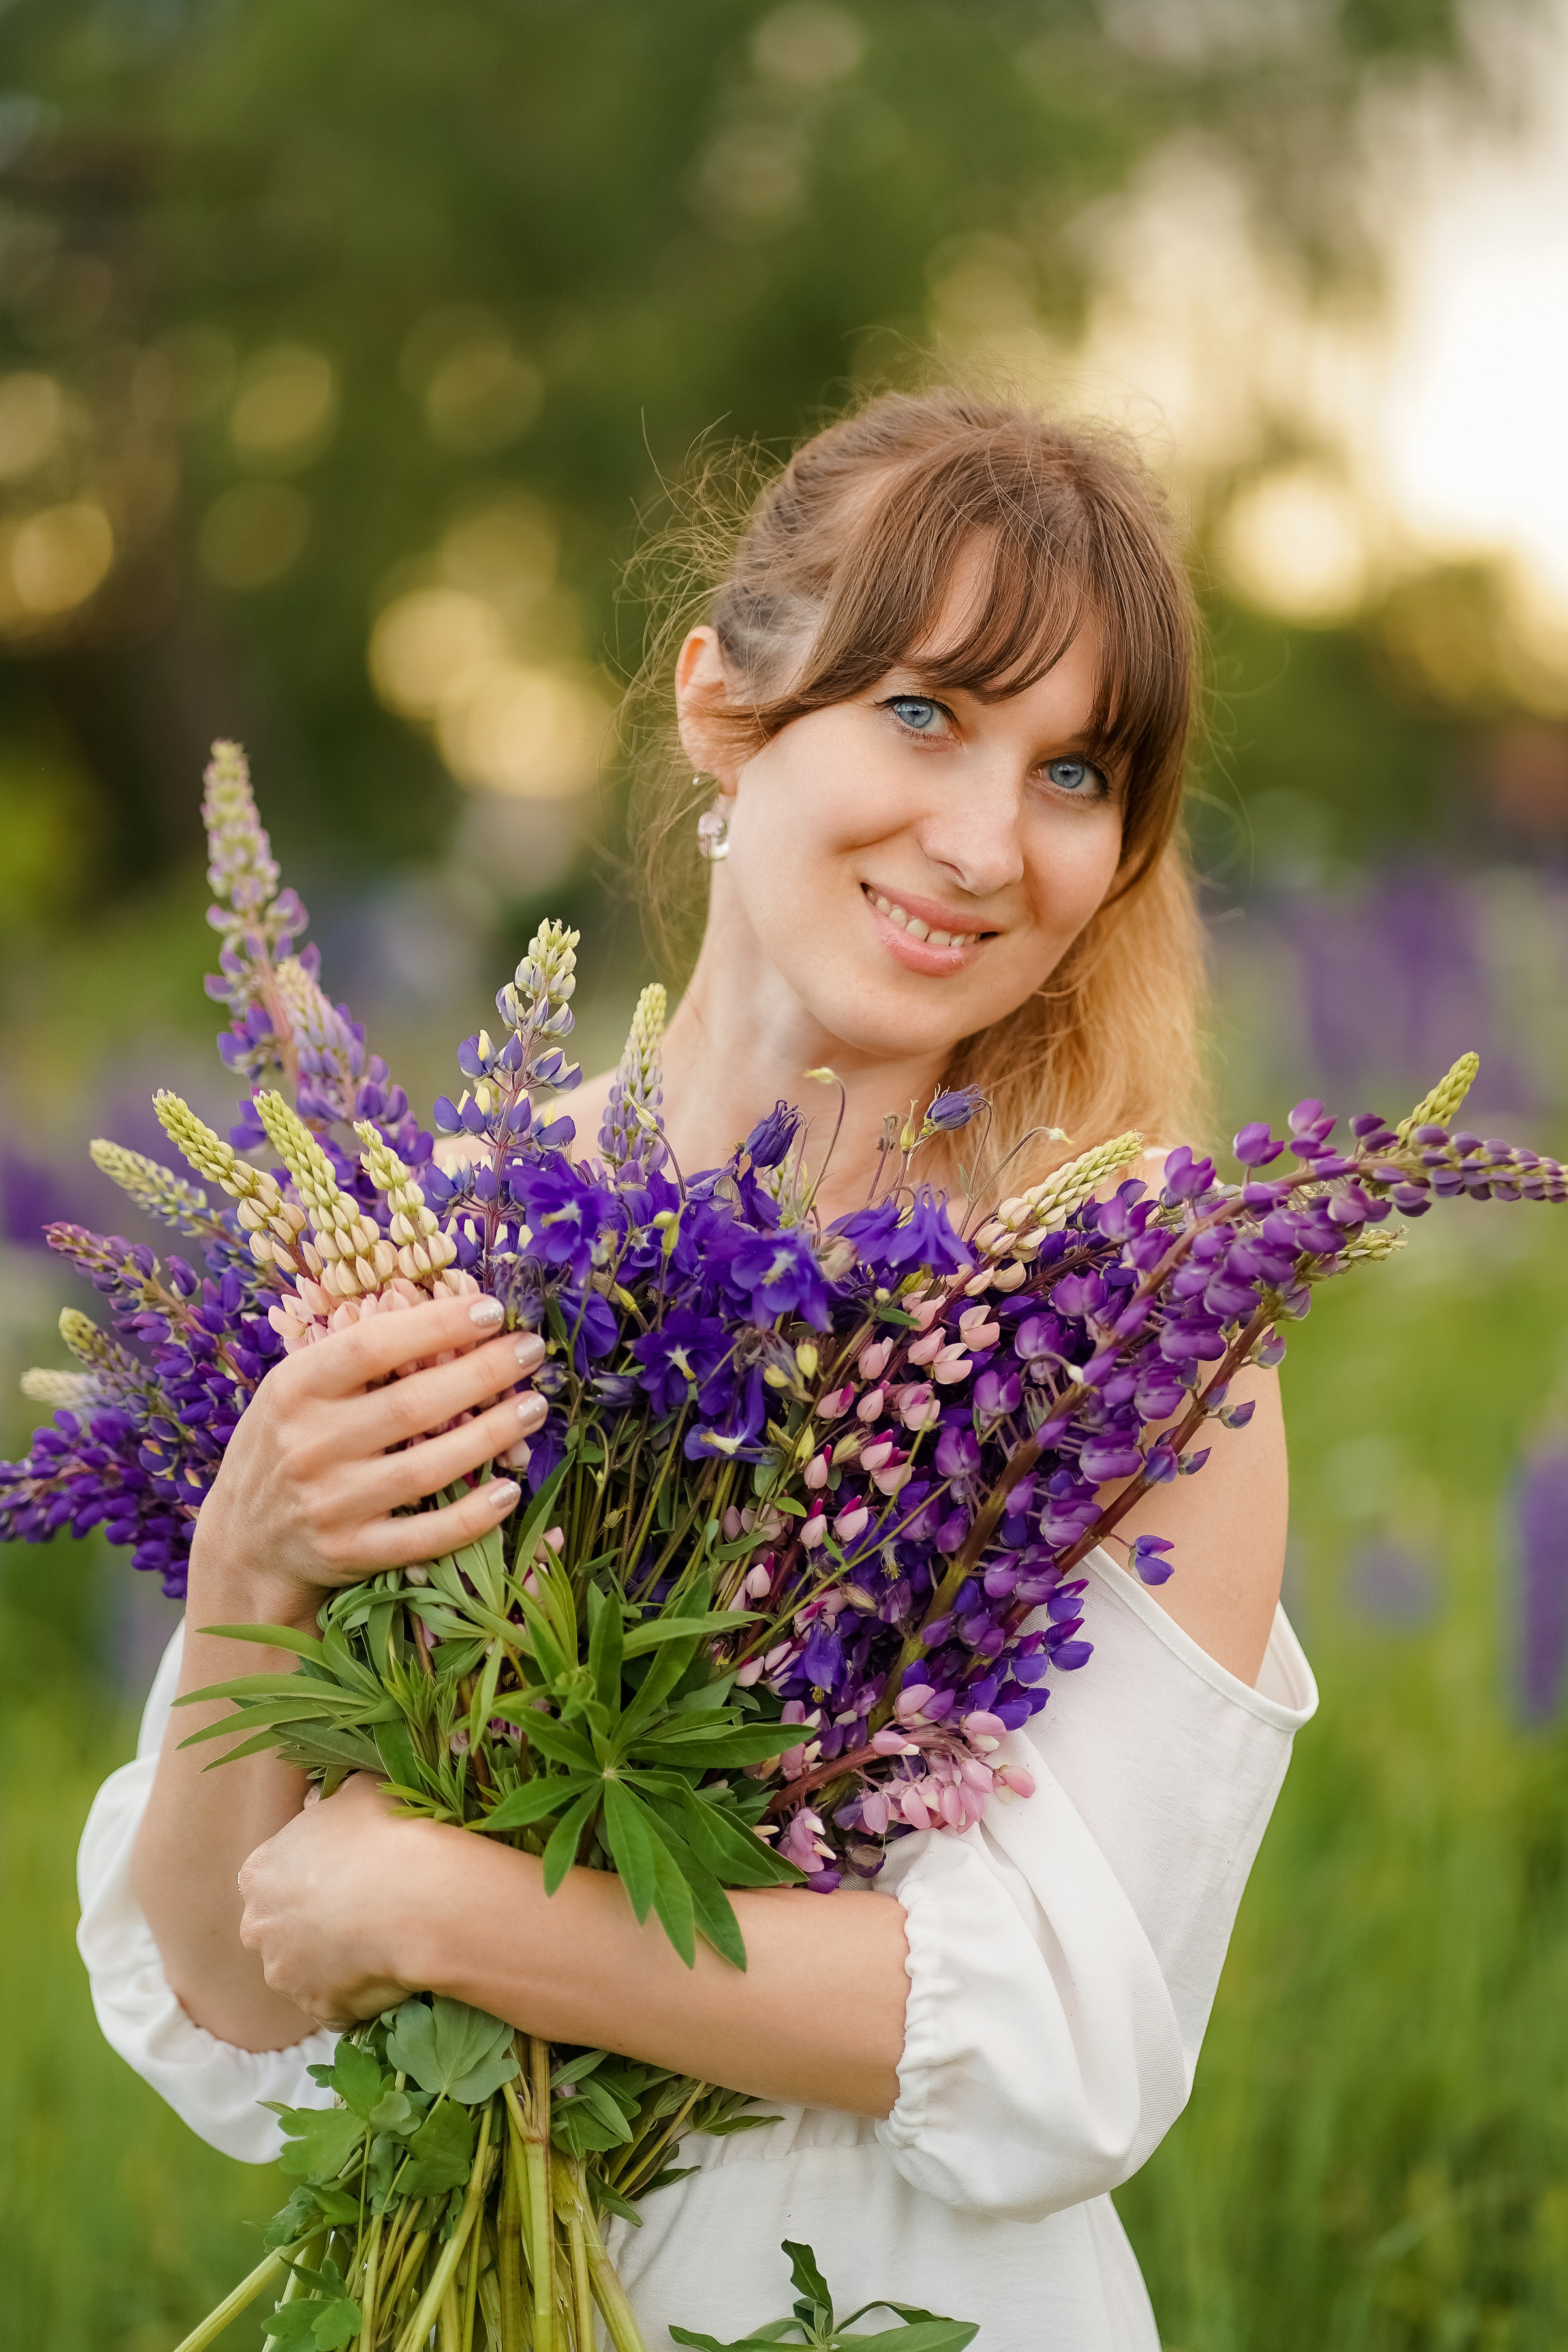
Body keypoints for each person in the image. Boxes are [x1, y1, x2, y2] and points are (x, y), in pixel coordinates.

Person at [78, 388, 1315, 2350]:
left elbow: (1069, 2050)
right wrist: (246, 1570)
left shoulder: (1130, 1323)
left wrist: (457, 1917)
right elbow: (232, 2009)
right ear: (724, 712)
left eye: (1074, 771)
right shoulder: (448, 1228)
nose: (985, 838)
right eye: (921, 712)